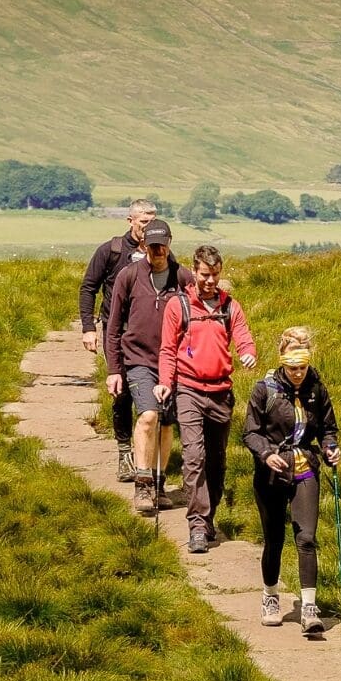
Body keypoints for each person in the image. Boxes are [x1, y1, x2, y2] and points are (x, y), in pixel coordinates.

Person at [155, 245, 257, 554]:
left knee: (216, 460)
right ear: (194, 271)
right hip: (188, 389)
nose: (210, 281)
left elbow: (243, 335)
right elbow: (167, 349)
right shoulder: (179, 306)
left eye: (215, 275)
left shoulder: (230, 306)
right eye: (204, 275)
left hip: (221, 392)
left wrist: (247, 352)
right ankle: (197, 524)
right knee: (193, 457)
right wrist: (164, 383)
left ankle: (209, 518)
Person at [242, 326, 340, 635]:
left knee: (307, 537)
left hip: (305, 468)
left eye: (302, 367)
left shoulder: (317, 389)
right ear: (283, 362)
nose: (298, 373)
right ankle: (270, 596)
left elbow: (328, 428)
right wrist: (264, 452)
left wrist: (330, 449)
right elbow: (250, 431)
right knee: (274, 538)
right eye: (292, 368)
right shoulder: (264, 390)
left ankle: (309, 608)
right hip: (272, 471)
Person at [105, 218, 193, 515]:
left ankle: (158, 484)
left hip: (175, 362)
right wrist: (114, 370)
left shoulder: (183, 278)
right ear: (143, 245)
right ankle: (142, 486)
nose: (157, 250)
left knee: (167, 424)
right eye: (152, 245)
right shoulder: (128, 276)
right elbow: (114, 327)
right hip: (138, 360)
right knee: (148, 416)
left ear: (169, 244)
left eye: (162, 245)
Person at [79, 198, 156, 481]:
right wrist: (88, 327)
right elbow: (88, 288)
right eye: (143, 221)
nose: (148, 227)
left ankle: (148, 452)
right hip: (115, 331)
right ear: (131, 221)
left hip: (148, 335)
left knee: (149, 394)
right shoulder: (111, 250)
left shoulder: (160, 252)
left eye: (152, 221)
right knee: (121, 392)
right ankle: (125, 453)